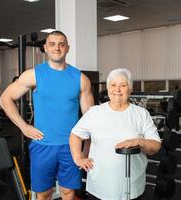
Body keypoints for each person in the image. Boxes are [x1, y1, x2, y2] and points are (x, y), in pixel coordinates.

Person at [0, 30, 94, 200]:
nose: (57, 48)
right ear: (45, 48)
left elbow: (90, 119)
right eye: (52, 44)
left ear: (67, 48)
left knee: (68, 192)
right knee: (43, 194)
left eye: (61, 44)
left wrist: (86, 149)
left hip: (70, 146)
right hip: (42, 145)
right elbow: (5, 99)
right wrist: (24, 126)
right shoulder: (34, 74)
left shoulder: (81, 79)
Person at [69, 68, 161, 200]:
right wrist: (78, 157)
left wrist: (138, 141)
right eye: (113, 85)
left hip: (131, 187)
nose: (117, 90)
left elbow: (155, 146)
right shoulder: (95, 113)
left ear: (130, 89)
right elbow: (75, 135)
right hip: (99, 188)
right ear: (108, 88)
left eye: (123, 85)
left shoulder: (141, 114)